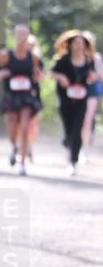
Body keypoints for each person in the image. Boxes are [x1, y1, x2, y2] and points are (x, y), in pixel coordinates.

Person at [0, 24, 43, 175]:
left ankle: (22, 163)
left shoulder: (33, 57)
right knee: (12, 125)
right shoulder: (5, 55)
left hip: (26, 96)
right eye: (18, 35)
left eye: (24, 35)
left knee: (26, 126)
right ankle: (14, 147)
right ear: (14, 36)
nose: (21, 38)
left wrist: (37, 74)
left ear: (28, 37)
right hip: (10, 95)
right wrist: (3, 74)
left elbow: (40, 76)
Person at [50, 30, 97, 175]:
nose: (78, 46)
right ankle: (68, 143)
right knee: (68, 127)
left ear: (85, 46)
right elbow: (51, 73)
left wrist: (92, 77)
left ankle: (72, 161)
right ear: (70, 45)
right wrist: (61, 77)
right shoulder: (63, 60)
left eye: (81, 43)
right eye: (75, 43)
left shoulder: (89, 61)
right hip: (65, 99)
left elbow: (93, 76)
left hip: (81, 99)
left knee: (78, 127)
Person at [80, 31, 103, 161]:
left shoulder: (96, 57)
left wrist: (96, 75)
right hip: (76, 92)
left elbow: (101, 75)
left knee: (87, 120)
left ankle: (84, 149)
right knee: (77, 120)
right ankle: (74, 145)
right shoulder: (75, 56)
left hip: (91, 92)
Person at [26, 35, 44, 161]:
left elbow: (41, 78)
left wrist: (36, 71)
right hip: (17, 95)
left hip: (33, 94)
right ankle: (20, 146)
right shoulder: (15, 58)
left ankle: (29, 147)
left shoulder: (38, 61)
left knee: (32, 123)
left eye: (32, 45)